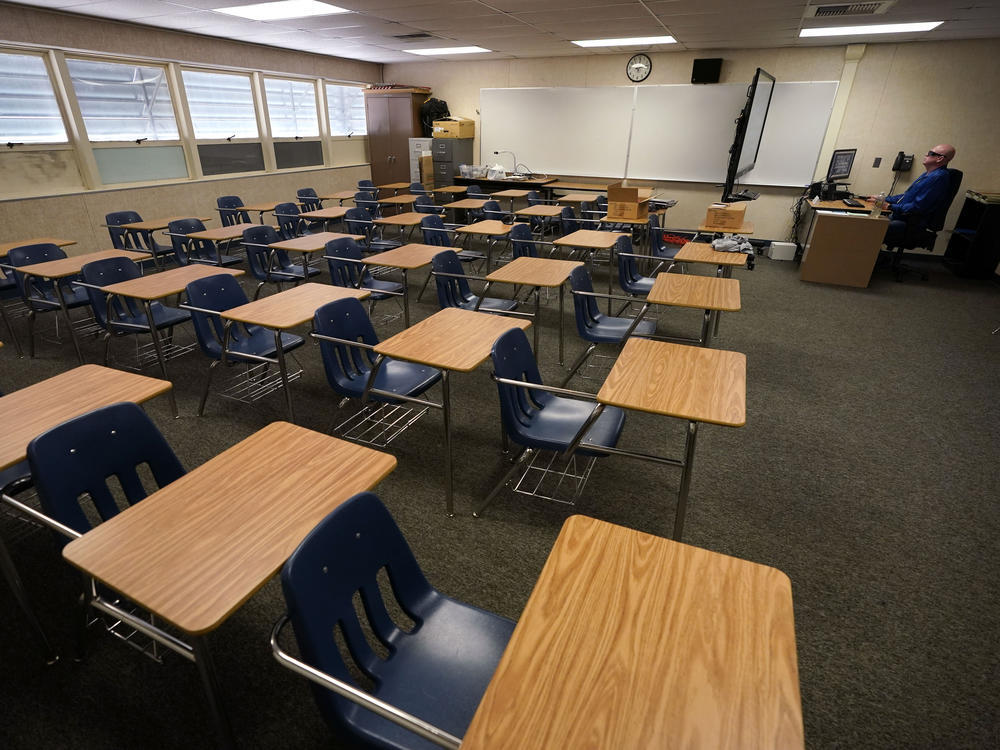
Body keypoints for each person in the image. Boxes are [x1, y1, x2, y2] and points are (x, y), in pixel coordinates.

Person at [872, 144, 956, 246]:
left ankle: (877, 260)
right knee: (868, 222)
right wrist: (884, 199)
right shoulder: (928, 174)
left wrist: (889, 206)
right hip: (902, 217)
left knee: (870, 228)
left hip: (911, 223)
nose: (926, 154)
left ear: (940, 158)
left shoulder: (938, 177)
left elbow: (917, 207)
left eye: (930, 153)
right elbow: (906, 196)